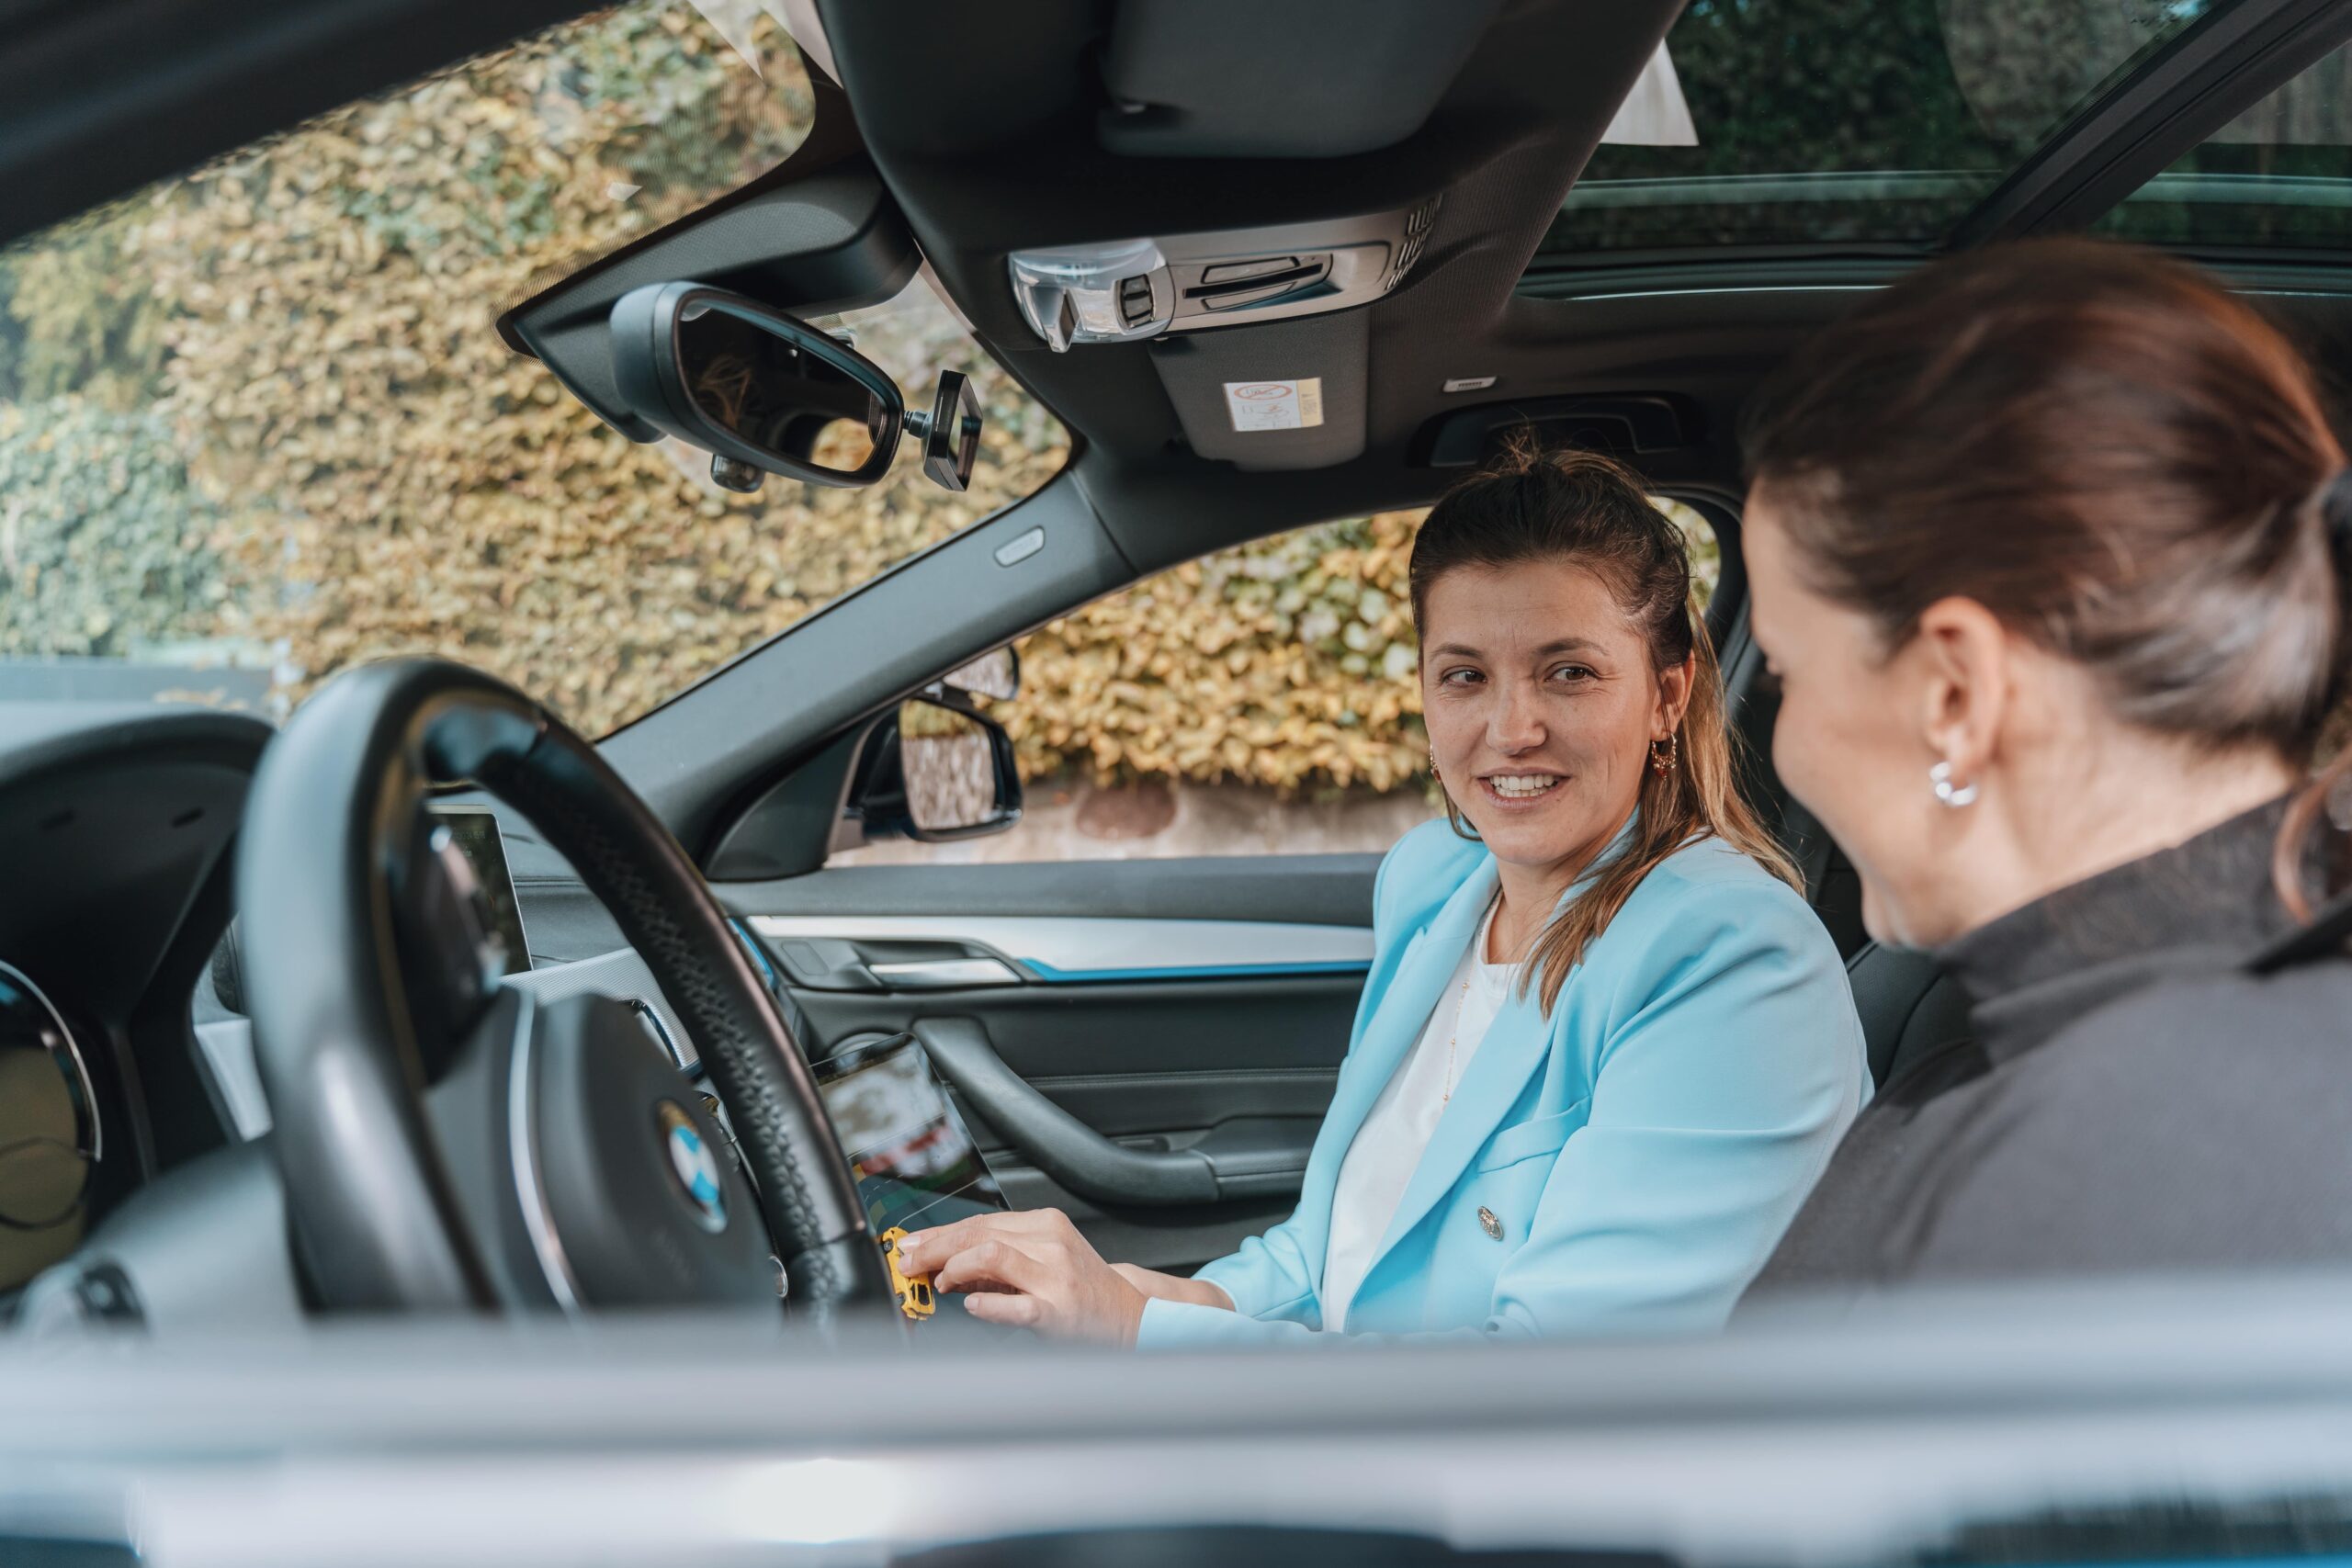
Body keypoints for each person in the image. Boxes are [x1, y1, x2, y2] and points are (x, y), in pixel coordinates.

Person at [896, 446, 1870, 1345]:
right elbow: (1328, 1255)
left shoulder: (1732, 958)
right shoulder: (1433, 882)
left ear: (1666, 694)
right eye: (1464, 676)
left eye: (1568, 673)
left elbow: (1558, 1399)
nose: (1511, 727)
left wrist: (1139, 1332)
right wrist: (1130, 1294)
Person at [1737, 238, 2352, 1302]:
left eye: (1786, 674)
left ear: (1955, 696)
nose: (1783, 741)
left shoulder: (2094, 1171)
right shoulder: (2208, 1064)